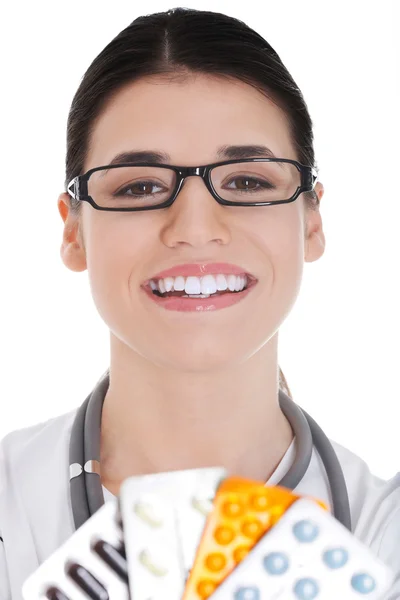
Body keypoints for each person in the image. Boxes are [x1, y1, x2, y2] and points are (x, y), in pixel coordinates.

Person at [1, 7, 399, 599]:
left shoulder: (383, 535)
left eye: (246, 182)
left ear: (311, 221)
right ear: (74, 232)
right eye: (139, 186)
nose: (195, 228)